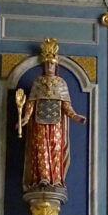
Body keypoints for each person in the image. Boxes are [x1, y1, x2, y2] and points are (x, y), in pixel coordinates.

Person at [19, 38, 87, 192]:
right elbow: (30, 103)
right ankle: (43, 177)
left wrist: (76, 117)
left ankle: (55, 178)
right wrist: (25, 118)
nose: (49, 66)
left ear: (56, 66)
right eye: (47, 63)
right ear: (44, 65)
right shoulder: (38, 82)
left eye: (52, 64)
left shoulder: (61, 83)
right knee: (41, 147)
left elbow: (66, 106)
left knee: (56, 147)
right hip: (39, 121)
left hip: (56, 122)